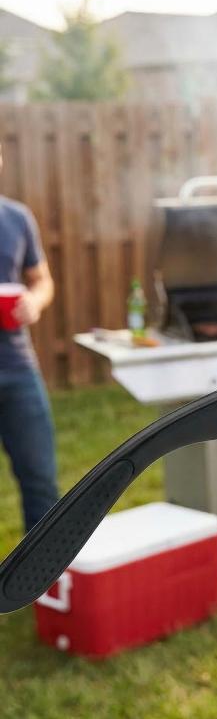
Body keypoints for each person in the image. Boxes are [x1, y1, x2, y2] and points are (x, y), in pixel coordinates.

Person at [0, 143, 60, 532]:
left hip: (18, 368)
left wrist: (34, 302)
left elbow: (41, 280)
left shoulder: (16, 217)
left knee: (41, 483)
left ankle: (46, 568)